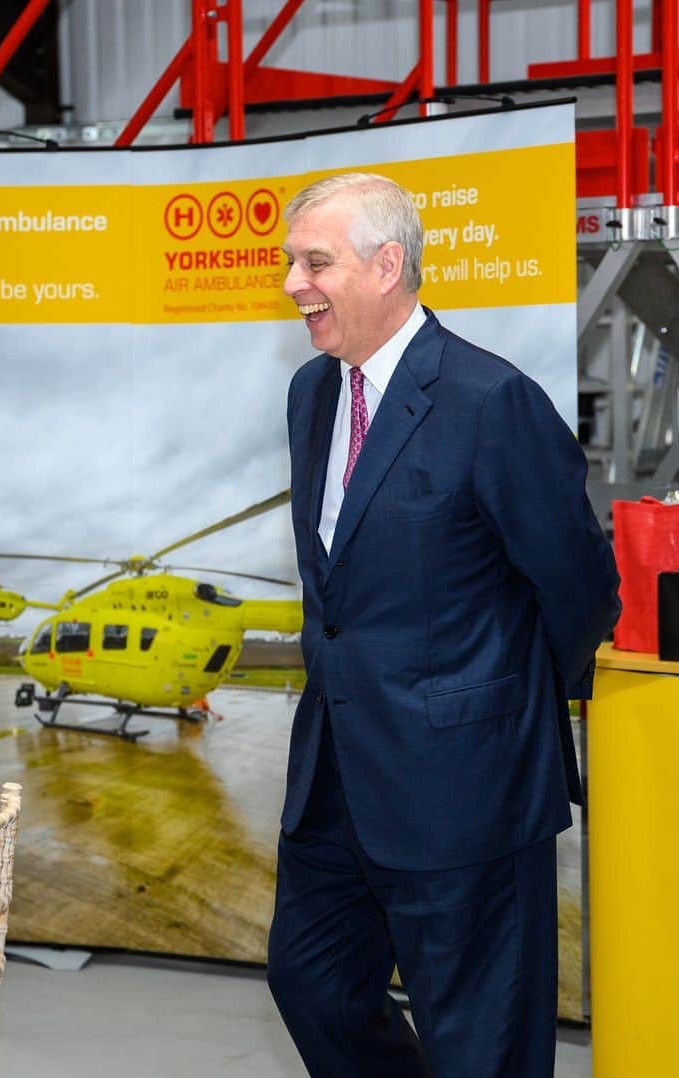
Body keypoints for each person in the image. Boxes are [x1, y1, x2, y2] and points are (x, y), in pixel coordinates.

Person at [267, 172, 620, 1077]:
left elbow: (579, 588)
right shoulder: (313, 395)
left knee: (482, 1043)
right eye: (291, 262)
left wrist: (492, 714)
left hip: (468, 791)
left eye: (315, 262)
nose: (294, 284)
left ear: (388, 267)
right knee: (312, 984)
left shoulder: (488, 402)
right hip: (338, 782)